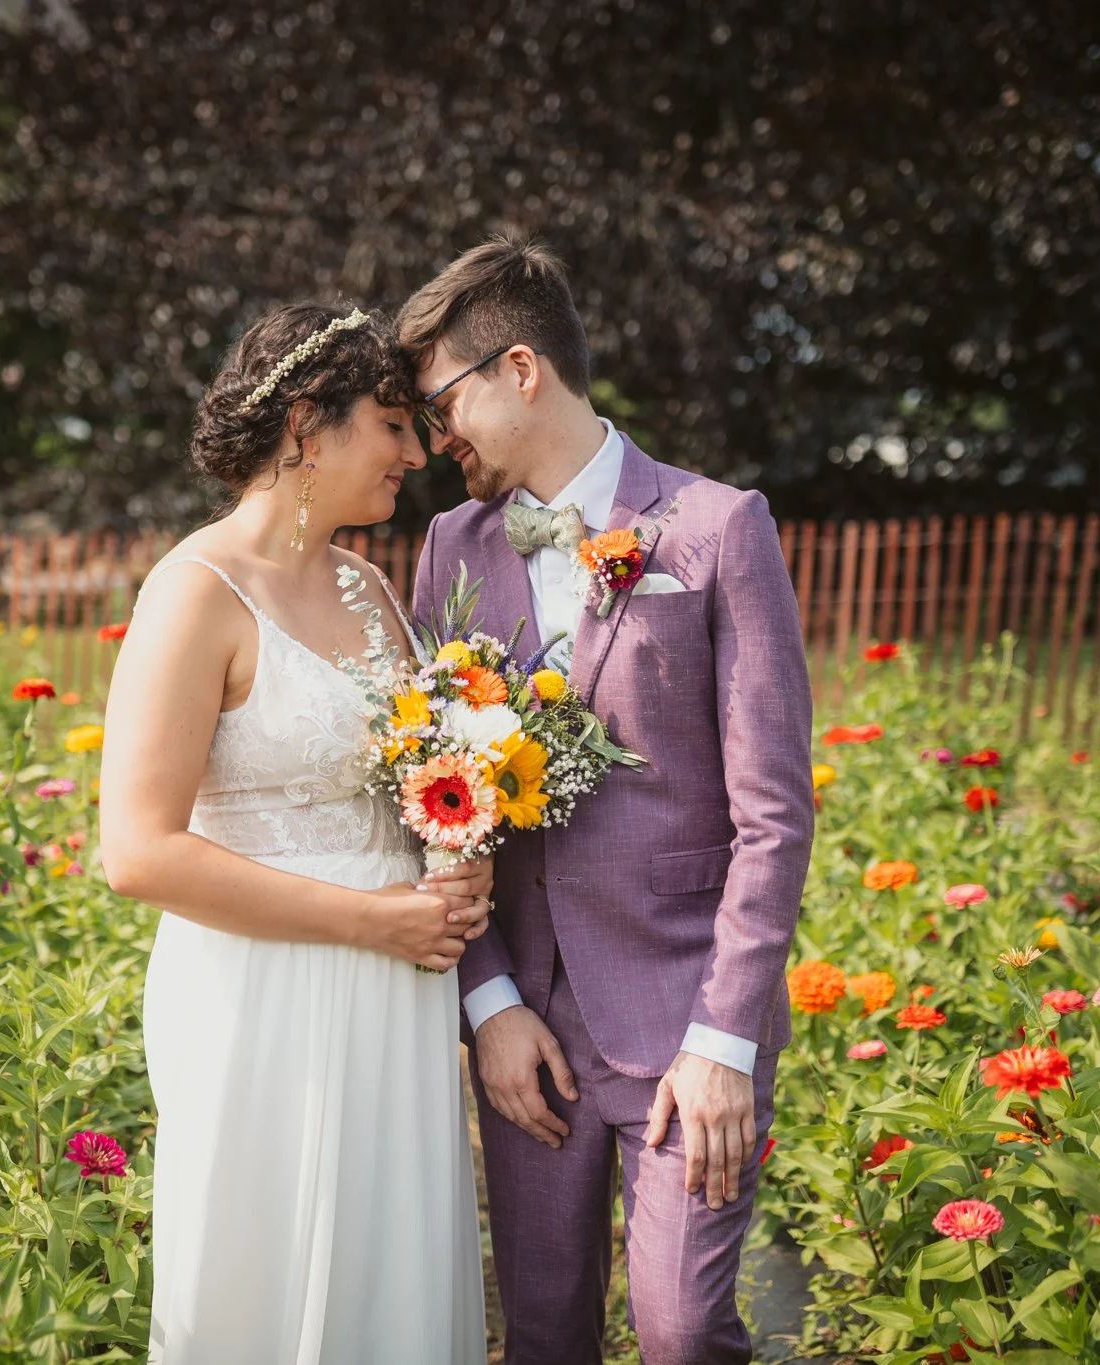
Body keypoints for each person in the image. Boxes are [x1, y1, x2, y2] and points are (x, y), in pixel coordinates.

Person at [403, 238, 816, 1365]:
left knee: (684, 1335)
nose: (437, 442)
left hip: (686, 1017)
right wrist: (487, 1010)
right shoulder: (448, 546)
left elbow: (772, 814)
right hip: (528, 1035)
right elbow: (428, 799)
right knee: (541, 1336)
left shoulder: (716, 529)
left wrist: (725, 1040)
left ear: (519, 369)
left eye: (442, 404)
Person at [99, 303, 489, 1365]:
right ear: (307, 424)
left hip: (398, 994)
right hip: (260, 999)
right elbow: (134, 852)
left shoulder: (370, 591)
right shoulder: (193, 595)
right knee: (265, 1283)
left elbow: (427, 782)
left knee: (387, 1282)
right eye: (394, 423)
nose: (417, 452)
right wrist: (372, 921)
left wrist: (462, 854)